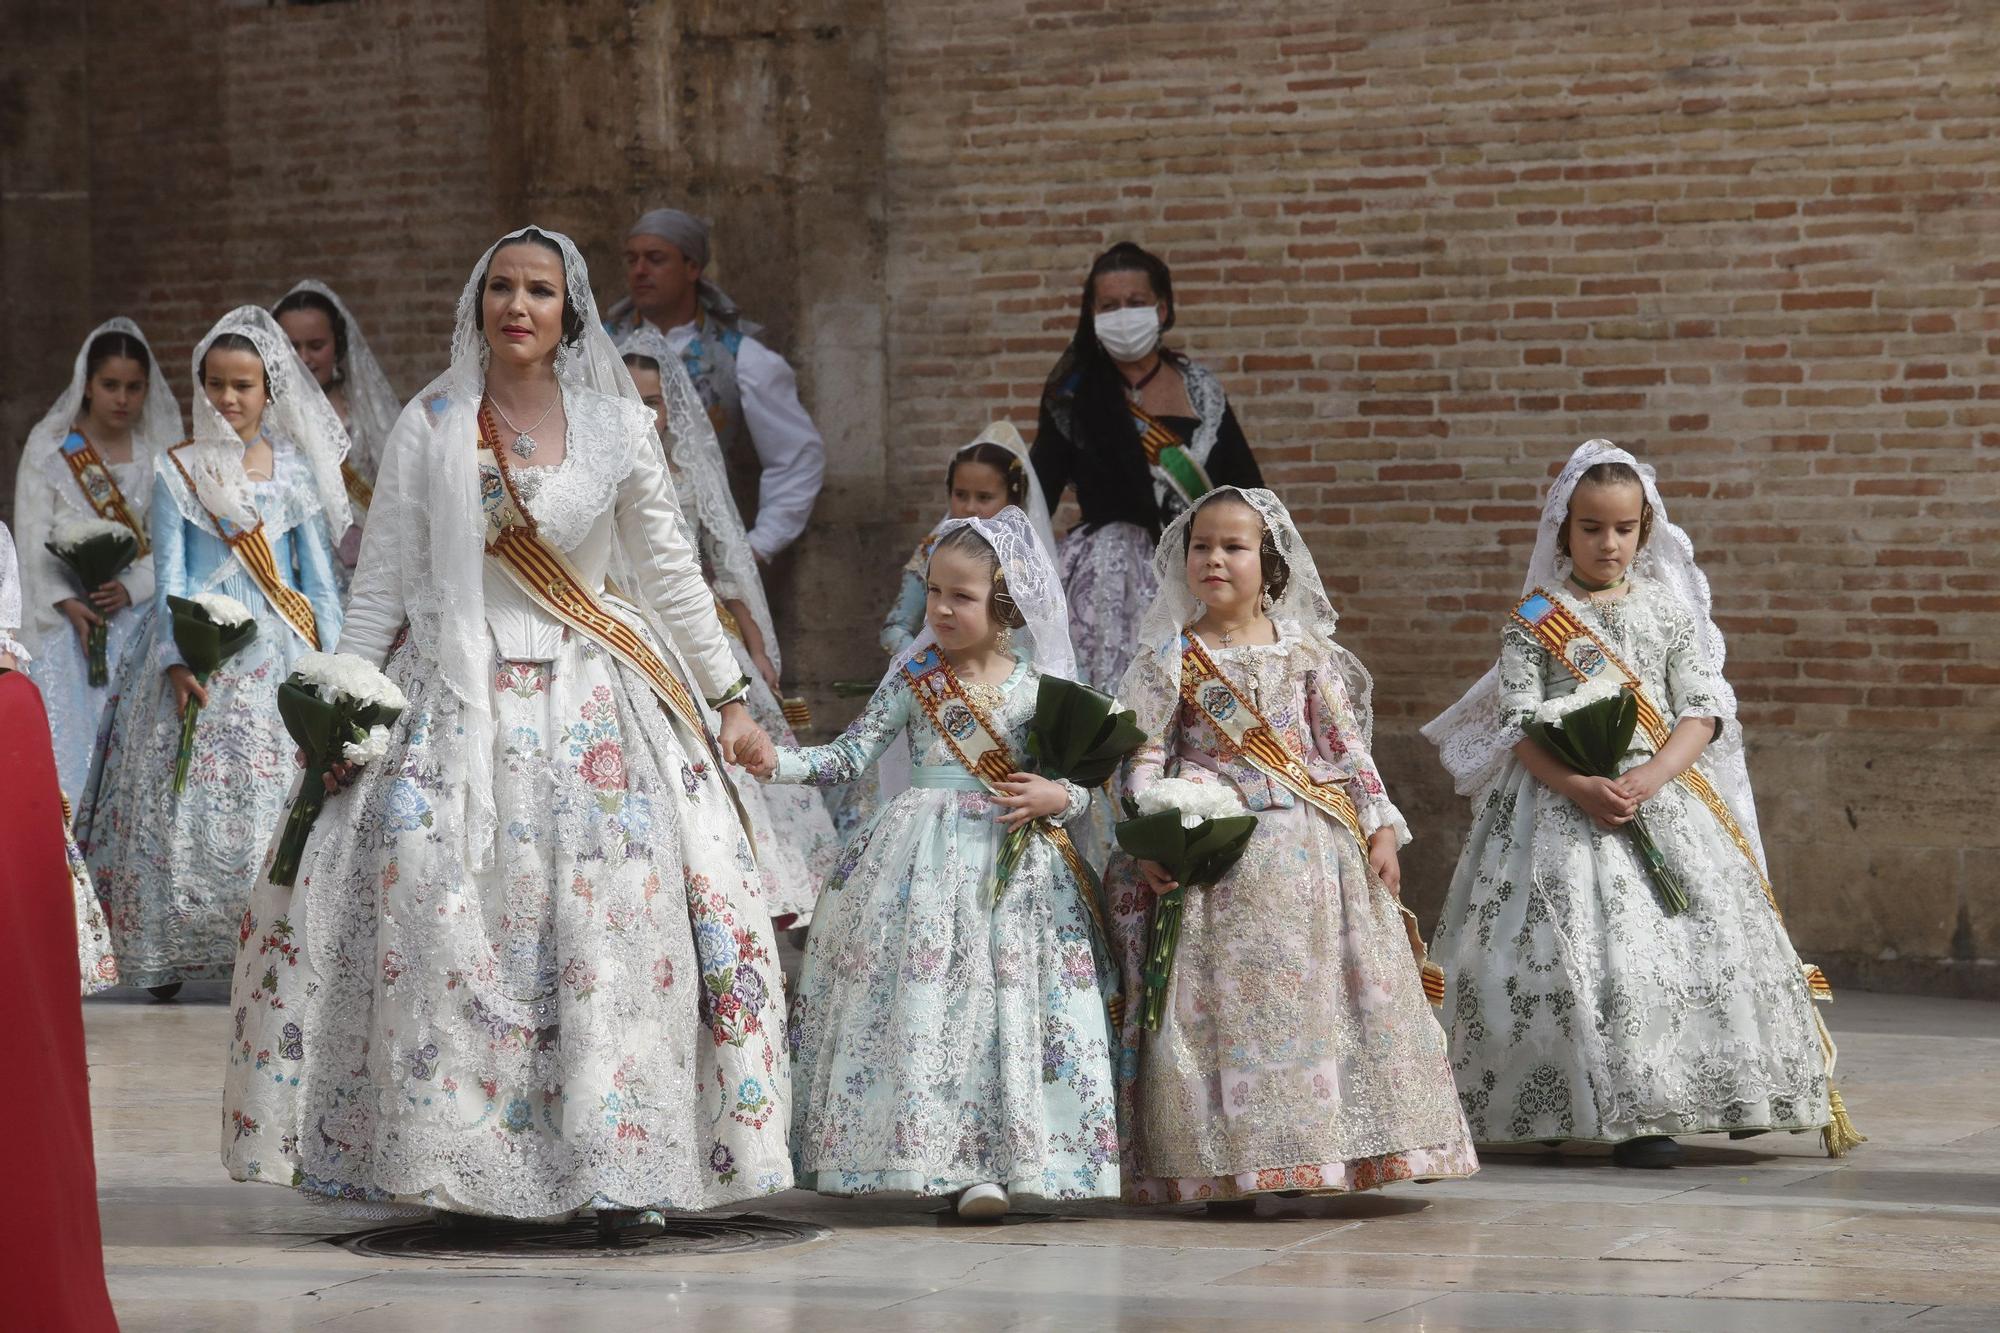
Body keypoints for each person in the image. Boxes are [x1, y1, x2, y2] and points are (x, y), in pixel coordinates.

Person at [221, 227, 792, 1240]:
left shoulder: (618, 428)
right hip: (453, 705)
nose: (516, 305)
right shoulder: (433, 424)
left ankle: (619, 1158)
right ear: (478, 302)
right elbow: (383, 582)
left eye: (537, 290)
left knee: (611, 932)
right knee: (445, 919)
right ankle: (462, 1156)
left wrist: (728, 698)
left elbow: (666, 576)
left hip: (594, 711)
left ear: (569, 310)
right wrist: (345, 700)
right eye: (500, 288)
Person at [1421, 440, 1858, 1168]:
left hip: (1660, 793)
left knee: (1678, 944)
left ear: (1644, 530)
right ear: (1563, 529)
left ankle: (1683, 1102)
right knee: (1568, 954)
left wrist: (1653, 775)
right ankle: (1558, 1104)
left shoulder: (1667, 611)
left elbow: (1702, 708)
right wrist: (1578, 783)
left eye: (1624, 528)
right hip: (1560, 802)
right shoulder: (1536, 615)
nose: (1608, 542)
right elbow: (1518, 724)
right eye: (1591, 527)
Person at [1104, 487, 1476, 1207]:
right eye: (1201, 545)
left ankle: (1311, 1150)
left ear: (1269, 564)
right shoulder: (1170, 657)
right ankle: (1226, 1165)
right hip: (1216, 863)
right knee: (1228, 1015)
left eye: (1233, 546)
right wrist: (1151, 821)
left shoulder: (1306, 654)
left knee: (1315, 1007)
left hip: (1310, 859)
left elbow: (1346, 749)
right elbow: (1144, 755)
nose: (1214, 559)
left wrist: (1381, 825)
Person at [749, 507, 1118, 1219]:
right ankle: (948, 1163)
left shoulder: (1041, 689)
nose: (941, 608)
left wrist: (1057, 794)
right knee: (935, 1006)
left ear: (1003, 603)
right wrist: (776, 761)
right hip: (916, 865)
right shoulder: (914, 677)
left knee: (1005, 1009)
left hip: (1013, 874)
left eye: (962, 596)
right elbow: (848, 755)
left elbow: (1085, 786)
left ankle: (1011, 1158)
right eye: (935, 591)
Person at [74, 307, 348, 1001]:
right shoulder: (180, 470)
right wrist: (174, 656)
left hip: (279, 649)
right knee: (178, 797)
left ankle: (278, 937)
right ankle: (169, 946)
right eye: (218, 385)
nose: (229, 399)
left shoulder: (295, 474)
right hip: (196, 650)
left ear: (268, 392)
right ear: (201, 386)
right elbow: (170, 575)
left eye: (244, 386)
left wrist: (338, 666)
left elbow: (315, 578)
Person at [620, 325, 839, 929]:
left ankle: (759, 889)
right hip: (625, 626)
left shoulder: (687, 475)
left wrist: (754, 639)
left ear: (672, 407)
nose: (643, 412)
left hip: (697, 627)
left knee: (741, 758)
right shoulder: (603, 471)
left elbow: (726, 557)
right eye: (629, 400)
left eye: (653, 401)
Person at [1031, 241, 1264, 692]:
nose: (1123, 314)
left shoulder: (1199, 387)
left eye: (1135, 303)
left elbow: (1247, 489)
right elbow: (1038, 491)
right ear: (1092, 315)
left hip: (1194, 570)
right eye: (1109, 305)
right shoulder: (1074, 392)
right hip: (1103, 579)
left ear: (1161, 309)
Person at [13, 318, 182, 793]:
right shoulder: (51, 449)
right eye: (110, 385)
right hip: (63, 623)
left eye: (134, 387)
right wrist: (66, 601)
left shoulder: (155, 457)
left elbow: (165, 542)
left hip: (133, 620)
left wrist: (129, 588)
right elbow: (30, 535)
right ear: (86, 385)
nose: (122, 398)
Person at [604, 207, 824, 563]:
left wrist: (758, 545)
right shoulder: (597, 348)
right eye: (632, 260)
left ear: (692, 268)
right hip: (612, 548)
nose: (640, 271)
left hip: (703, 555)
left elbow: (797, 456)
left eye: (655, 259)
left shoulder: (741, 356)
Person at [878, 420, 1056, 658]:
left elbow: (1050, 638)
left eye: (984, 497)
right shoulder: (931, 551)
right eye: (960, 494)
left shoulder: (1027, 561)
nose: (970, 507)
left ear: (1014, 501)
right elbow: (895, 628)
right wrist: (927, 667)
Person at [274, 281, 402, 574]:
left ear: (338, 344)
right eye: (292, 347)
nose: (304, 358)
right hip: (297, 565)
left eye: (316, 346)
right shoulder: (266, 415)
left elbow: (400, 487)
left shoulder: (365, 407)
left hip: (372, 562)